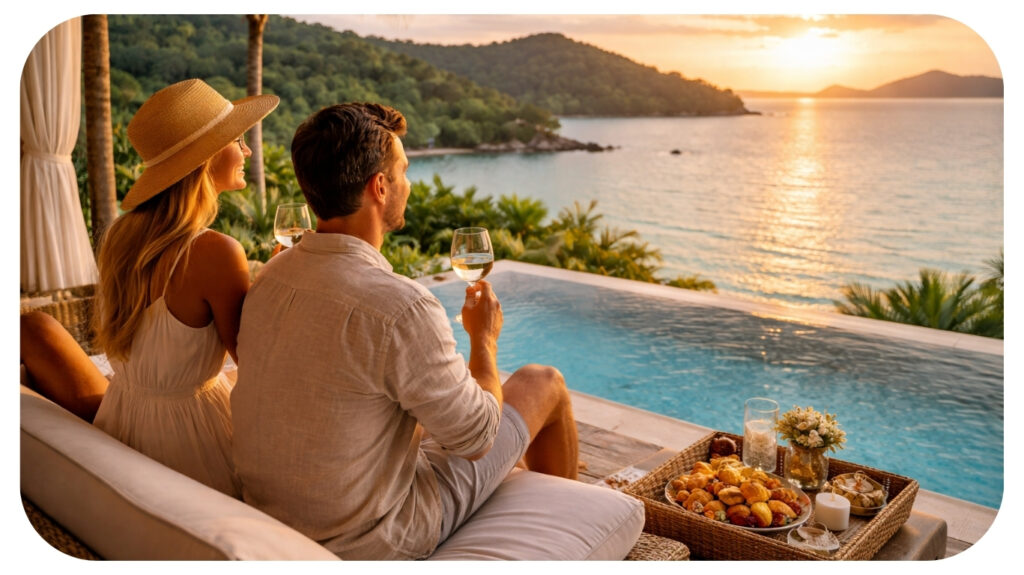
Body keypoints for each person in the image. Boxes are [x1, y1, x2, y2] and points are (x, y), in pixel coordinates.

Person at [231, 103, 579, 560]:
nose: (409, 184)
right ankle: (569, 533)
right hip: (377, 537)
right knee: (543, 382)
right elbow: (477, 439)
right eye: (404, 171)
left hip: (276, 519)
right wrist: (483, 340)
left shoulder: (269, 279)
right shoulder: (400, 306)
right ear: (380, 186)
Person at [20, 79, 279, 498]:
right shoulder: (215, 252)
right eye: (237, 140)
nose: (247, 151)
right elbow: (256, 365)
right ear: (206, 157)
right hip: (192, 441)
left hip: (123, 422)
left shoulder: (123, 239)